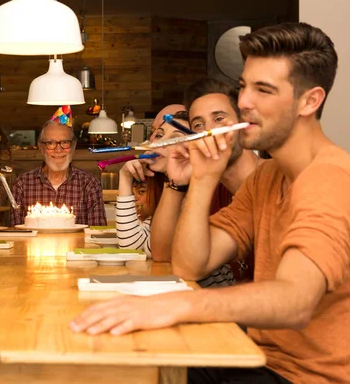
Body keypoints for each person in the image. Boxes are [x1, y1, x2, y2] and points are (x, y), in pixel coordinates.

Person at [71, 22, 350, 384]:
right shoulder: (268, 178)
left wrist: (180, 305)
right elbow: (190, 265)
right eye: (244, 87)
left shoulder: (331, 178)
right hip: (255, 357)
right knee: (122, 366)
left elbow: (295, 301)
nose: (245, 102)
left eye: (263, 90)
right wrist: (203, 179)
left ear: (309, 101)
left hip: (304, 377)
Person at [151, 78, 261, 285]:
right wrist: (176, 184)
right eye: (199, 124)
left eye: (219, 119)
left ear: (244, 125)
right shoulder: (210, 188)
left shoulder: (276, 181)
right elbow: (165, 256)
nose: (208, 131)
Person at [115, 111, 191, 255]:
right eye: (160, 135)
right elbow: (131, 247)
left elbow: (156, 252)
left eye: (175, 139)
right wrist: (125, 176)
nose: (159, 143)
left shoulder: (193, 194)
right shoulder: (163, 186)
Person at [11, 117, 107, 226]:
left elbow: (97, 233)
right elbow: (17, 233)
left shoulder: (90, 184)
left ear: (73, 146)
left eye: (65, 142)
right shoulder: (22, 184)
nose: (58, 150)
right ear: (41, 147)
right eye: (50, 143)